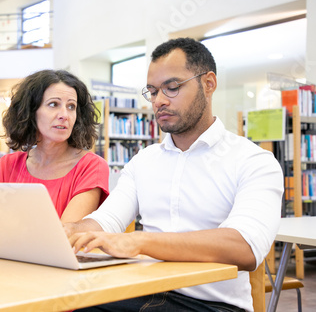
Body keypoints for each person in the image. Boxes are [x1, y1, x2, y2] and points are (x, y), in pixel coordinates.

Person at [66, 38, 284, 312]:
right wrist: (73, 231)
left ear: (208, 83)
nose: (159, 101)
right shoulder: (143, 161)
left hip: (213, 305)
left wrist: (139, 242)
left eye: (172, 87)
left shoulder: (254, 161)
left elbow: (245, 247)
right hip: (143, 291)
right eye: (153, 91)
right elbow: (107, 219)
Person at [0, 69, 110, 234]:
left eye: (71, 106)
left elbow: (63, 235)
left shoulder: (92, 167)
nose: (64, 115)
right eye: (53, 104)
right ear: (31, 112)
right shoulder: (9, 165)